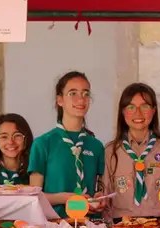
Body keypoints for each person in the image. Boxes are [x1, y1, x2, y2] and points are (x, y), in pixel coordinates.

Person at [28, 71, 106, 219]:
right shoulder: (43, 144)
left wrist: (99, 198)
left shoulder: (96, 146)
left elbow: (99, 187)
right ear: (60, 100)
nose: (81, 99)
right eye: (73, 93)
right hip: (55, 227)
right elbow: (34, 196)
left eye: (85, 93)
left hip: (90, 227)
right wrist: (65, 198)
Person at [103, 83, 160, 221]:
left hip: (158, 223)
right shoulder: (110, 151)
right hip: (120, 224)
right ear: (122, 111)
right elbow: (105, 195)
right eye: (131, 107)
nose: (138, 113)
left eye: (145, 106)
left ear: (154, 110)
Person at [0, 114, 34, 186]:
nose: (10, 142)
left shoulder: (36, 169)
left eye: (17, 135)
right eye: (4, 137)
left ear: (26, 138)